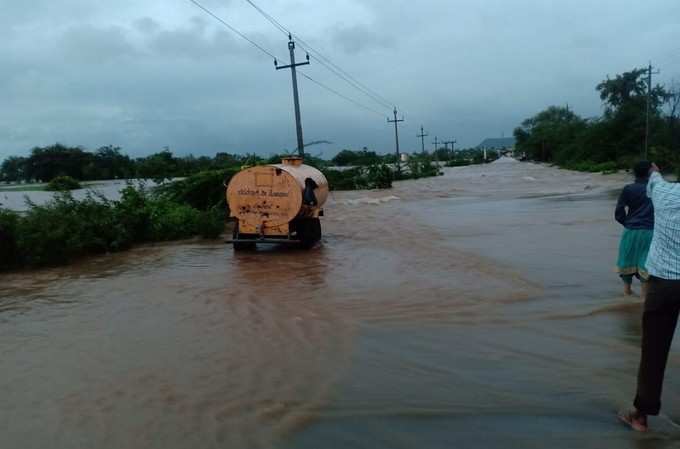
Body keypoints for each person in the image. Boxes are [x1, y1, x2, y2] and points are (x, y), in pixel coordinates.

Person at [619, 163, 680, 432]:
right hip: (660, 281)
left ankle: (640, 415)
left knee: (653, 352)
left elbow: (653, 176)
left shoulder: (664, 191)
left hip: (664, 284)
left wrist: (654, 170)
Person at [614, 161, 654, 297]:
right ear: (650, 172)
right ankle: (644, 295)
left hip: (631, 230)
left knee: (626, 260)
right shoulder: (655, 188)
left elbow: (619, 212)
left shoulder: (628, 189)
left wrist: (627, 223)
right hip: (650, 230)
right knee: (646, 262)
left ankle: (627, 292)